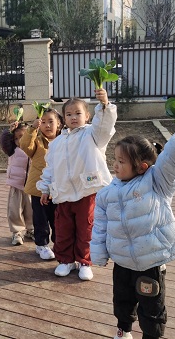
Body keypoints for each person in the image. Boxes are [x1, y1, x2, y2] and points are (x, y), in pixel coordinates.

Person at [90, 120, 175, 339]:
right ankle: (123, 331)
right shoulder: (106, 194)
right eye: (115, 159)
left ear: (141, 167)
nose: (115, 165)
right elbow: (100, 226)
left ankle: (152, 336)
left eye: (121, 161)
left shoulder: (157, 183)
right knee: (122, 300)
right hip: (122, 262)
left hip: (150, 262)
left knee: (152, 306)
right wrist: (99, 253)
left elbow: (172, 162)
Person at [37, 93, 117, 281]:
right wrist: (45, 188)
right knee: (63, 229)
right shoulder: (57, 143)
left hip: (87, 191)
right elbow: (51, 168)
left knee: (86, 229)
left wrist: (104, 106)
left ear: (87, 116)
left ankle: (84, 261)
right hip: (63, 193)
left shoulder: (93, 135)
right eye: (69, 114)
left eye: (78, 113)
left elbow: (105, 127)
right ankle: (66, 260)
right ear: (63, 119)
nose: (73, 117)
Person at [19, 108, 63, 260]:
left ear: (59, 123)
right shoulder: (36, 140)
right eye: (43, 122)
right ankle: (41, 245)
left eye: (51, 121)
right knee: (41, 219)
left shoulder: (64, 140)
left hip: (59, 189)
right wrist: (32, 129)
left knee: (58, 219)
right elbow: (25, 145)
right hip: (39, 188)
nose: (47, 125)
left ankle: (59, 244)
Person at [0, 121, 33, 246]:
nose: (19, 141)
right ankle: (17, 232)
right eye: (16, 138)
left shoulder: (33, 149)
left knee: (31, 211)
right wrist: (8, 132)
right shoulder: (12, 150)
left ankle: (31, 229)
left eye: (23, 137)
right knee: (15, 210)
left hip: (31, 187)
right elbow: (4, 142)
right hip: (16, 186)